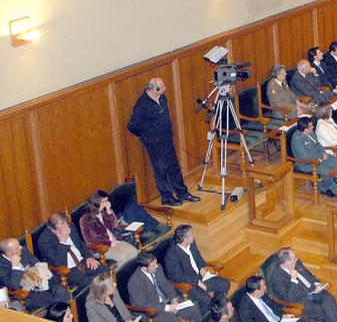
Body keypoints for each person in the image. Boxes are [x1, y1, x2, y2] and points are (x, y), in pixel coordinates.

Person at [127, 78, 199, 207]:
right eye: (162, 87)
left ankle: (182, 193)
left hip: (167, 140)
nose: (165, 89)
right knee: (161, 170)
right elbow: (132, 125)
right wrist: (148, 135)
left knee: (174, 167)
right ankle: (167, 198)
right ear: (155, 89)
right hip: (155, 144)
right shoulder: (142, 105)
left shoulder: (162, 98)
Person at [163, 225, 230, 314]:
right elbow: (178, 277)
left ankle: (217, 309)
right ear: (185, 239)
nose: (194, 236)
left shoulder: (191, 242)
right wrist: (198, 282)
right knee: (206, 300)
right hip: (187, 285)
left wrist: (201, 267)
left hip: (200, 277)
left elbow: (198, 256)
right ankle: (208, 315)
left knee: (224, 283)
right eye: (191, 234)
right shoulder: (172, 256)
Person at [38, 212, 108, 291]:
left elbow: (81, 244)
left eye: (66, 225)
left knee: (104, 271)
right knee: (90, 282)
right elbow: (57, 262)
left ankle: (108, 300)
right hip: (67, 269)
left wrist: (89, 257)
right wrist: (62, 242)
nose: (67, 229)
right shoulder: (44, 240)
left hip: (82, 261)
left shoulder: (71, 226)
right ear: (53, 230)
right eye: (62, 229)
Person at [268, 247, 337, 322]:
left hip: (314, 291)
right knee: (326, 312)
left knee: (328, 297)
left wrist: (318, 284)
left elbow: (309, 275)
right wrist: (293, 279)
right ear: (287, 261)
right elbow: (289, 298)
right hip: (302, 302)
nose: (296, 259)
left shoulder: (297, 263)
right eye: (294, 258)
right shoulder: (277, 278)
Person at [127, 251, 201, 322]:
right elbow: (143, 304)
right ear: (144, 268)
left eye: (156, 263)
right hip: (150, 311)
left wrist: (173, 299)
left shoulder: (158, 267)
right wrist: (167, 308)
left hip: (167, 302)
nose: (156, 266)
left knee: (193, 308)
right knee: (173, 320)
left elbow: (166, 285)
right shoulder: (134, 282)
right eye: (153, 265)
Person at [0, 238, 71, 309]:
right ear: (9, 253)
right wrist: (15, 266)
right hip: (27, 292)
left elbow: (37, 263)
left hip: (43, 279)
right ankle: (61, 314)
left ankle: (62, 314)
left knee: (62, 291)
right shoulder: (1, 266)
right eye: (17, 247)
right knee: (53, 301)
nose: (21, 247)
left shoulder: (24, 251)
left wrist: (31, 275)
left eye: (19, 245)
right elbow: (13, 285)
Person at [78, 190, 139, 266]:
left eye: (106, 201)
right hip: (101, 248)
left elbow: (115, 226)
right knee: (122, 257)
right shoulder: (85, 219)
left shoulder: (103, 213)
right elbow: (89, 242)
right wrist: (109, 243)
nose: (106, 204)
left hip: (115, 241)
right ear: (96, 202)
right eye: (103, 201)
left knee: (134, 251)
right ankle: (118, 276)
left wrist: (109, 211)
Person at [290, 118, 337, 198]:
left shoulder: (311, 132)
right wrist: (320, 157)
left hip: (319, 156)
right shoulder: (297, 139)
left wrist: (323, 152)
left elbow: (318, 144)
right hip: (307, 163)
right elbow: (305, 156)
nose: (313, 127)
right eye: (311, 126)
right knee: (328, 171)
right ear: (305, 129)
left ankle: (334, 183)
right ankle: (325, 189)